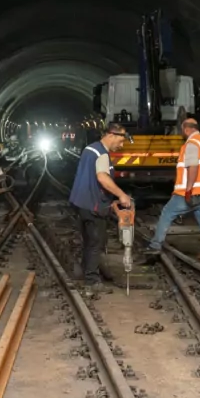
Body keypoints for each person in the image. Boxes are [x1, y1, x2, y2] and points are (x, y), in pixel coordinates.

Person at [144, 118, 200, 269]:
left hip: (193, 193)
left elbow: (193, 167)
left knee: (167, 213)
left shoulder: (192, 144)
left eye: (182, 130)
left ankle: (155, 246)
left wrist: (188, 189)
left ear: (186, 129)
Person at [68, 122, 132, 291]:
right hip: (92, 205)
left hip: (80, 202)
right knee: (96, 242)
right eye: (121, 140)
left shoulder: (90, 149)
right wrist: (121, 195)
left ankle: (85, 271)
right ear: (111, 135)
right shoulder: (102, 154)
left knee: (88, 240)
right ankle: (92, 280)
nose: (122, 144)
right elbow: (102, 178)